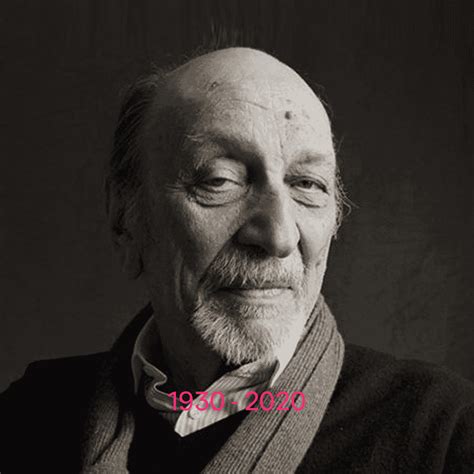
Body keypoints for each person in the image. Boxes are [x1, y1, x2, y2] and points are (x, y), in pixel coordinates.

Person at [1, 47, 473, 473]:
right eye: (220, 180)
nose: (278, 235)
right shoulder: (32, 416)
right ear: (125, 219)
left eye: (308, 185)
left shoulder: (442, 434)